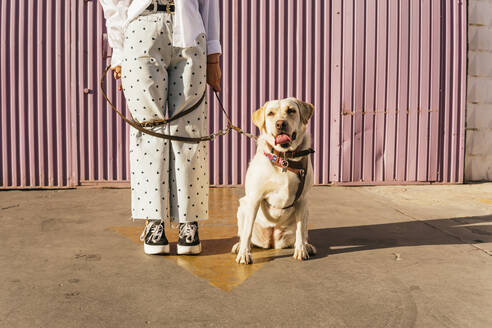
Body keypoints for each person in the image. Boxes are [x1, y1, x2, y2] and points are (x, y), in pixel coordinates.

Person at [99, 0, 222, 255]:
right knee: (148, 129)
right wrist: (119, 51)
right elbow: (113, 4)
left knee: (189, 131)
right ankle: (154, 222)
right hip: (141, 28)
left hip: (189, 30)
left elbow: (209, 4)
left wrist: (213, 57)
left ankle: (189, 223)